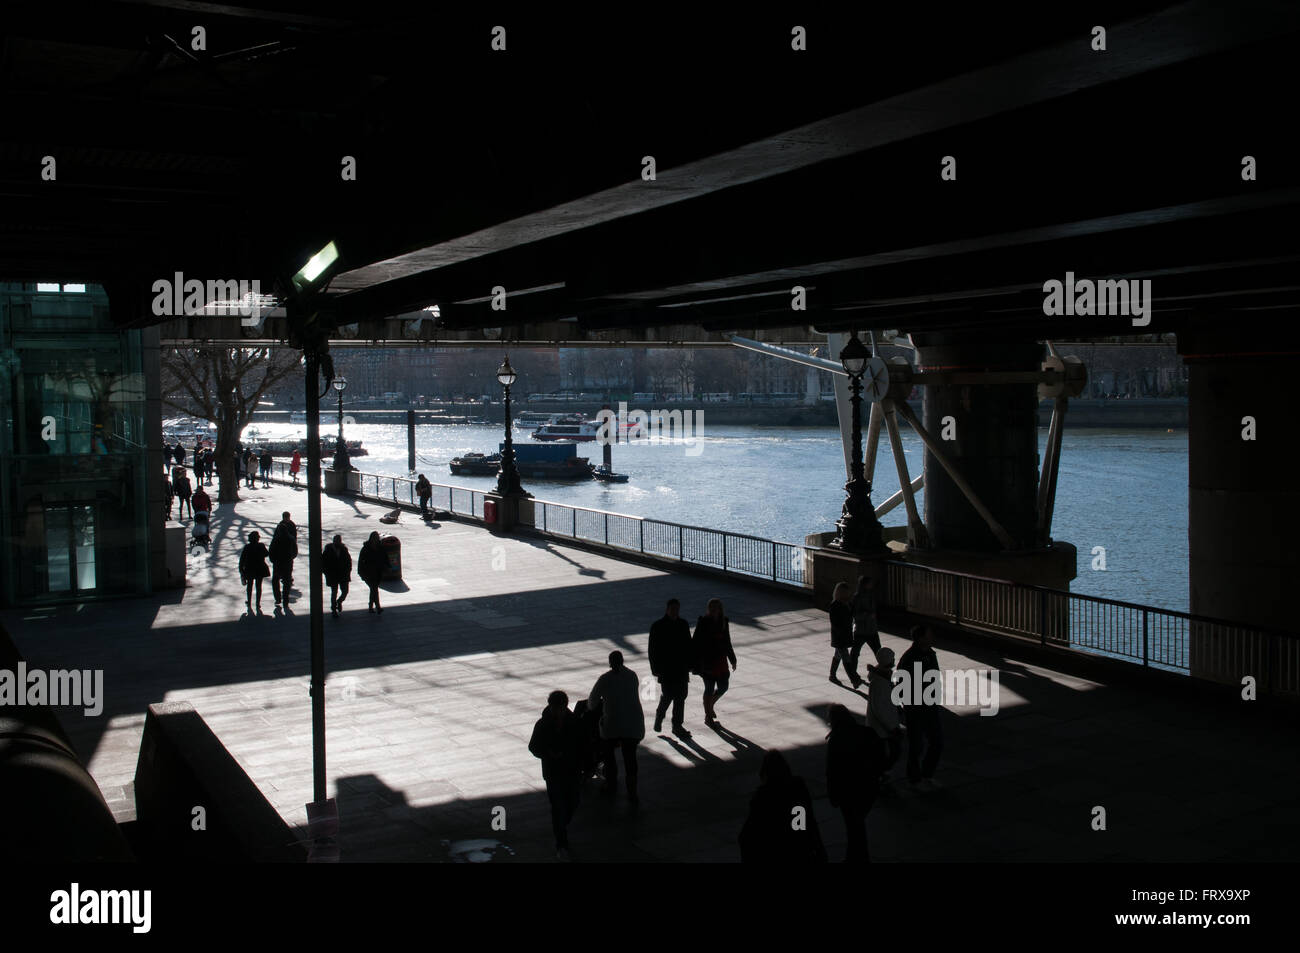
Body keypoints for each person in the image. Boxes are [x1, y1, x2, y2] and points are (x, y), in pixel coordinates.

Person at [738, 750, 826, 863]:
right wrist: (819, 849)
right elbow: (809, 821)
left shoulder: (763, 796)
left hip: (778, 852)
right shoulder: (798, 787)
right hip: (801, 849)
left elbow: (746, 836)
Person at [528, 690, 585, 860]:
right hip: (555, 772)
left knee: (572, 802)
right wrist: (548, 753)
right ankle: (561, 841)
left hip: (569, 770)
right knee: (559, 806)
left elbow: (582, 744)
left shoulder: (573, 722)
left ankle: (560, 828)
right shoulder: (544, 724)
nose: (558, 712)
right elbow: (534, 746)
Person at [825, 703, 886, 862]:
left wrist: (833, 796)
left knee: (854, 827)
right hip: (869, 788)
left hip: (848, 793)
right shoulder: (867, 732)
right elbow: (881, 756)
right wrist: (878, 774)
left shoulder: (836, 740)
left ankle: (858, 857)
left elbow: (832, 771)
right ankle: (856, 856)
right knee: (857, 824)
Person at [587, 651, 645, 802]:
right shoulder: (632, 675)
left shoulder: (605, 679)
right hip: (633, 724)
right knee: (630, 758)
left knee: (609, 754)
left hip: (612, 724)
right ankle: (632, 790)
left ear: (610, 662)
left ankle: (611, 783)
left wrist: (593, 707)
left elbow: (592, 701)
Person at [898, 626, 944, 787]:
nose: (932, 636)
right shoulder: (910, 658)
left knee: (936, 742)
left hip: (929, 705)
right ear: (921, 638)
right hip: (916, 707)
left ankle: (926, 774)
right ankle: (915, 777)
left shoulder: (930, 653)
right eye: (929, 634)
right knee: (917, 745)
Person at [648, 598, 692, 736]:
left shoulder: (681, 624)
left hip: (679, 668)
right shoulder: (658, 626)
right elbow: (652, 649)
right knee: (669, 695)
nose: (675, 612)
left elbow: (688, 646)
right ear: (667, 609)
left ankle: (676, 725)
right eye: (673, 609)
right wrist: (655, 668)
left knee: (680, 696)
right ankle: (661, 717)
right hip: (667, 669)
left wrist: (690, 664)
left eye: (677, 609)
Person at [692, 597, 736, 726]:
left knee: (723, 687)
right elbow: (695, 641)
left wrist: (732, 659)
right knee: (709, 688)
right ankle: (708, 715)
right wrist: (695, 661)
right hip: (707, 661)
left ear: (720, 609)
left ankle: (710, 705)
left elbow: (727, 641)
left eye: (716, 607)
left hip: (721, 660)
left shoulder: (724, 622)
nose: (713, 610)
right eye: (711, 607)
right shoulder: (703, 622)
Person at [865, 646, 902, 778]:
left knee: (888, 752)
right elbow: (880, 708)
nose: (894, 660)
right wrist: (891, 727)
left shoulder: (882, 677)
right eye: (892, 658)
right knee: (891, 752)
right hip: (882, 727)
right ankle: (881, 774)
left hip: (883, 726)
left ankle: (882, 774)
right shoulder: (880, 682)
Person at [829, 581, 861, 688]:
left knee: (838, 655)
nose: (849, 595)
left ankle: (832, 675)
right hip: (840, 637)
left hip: (844, 635)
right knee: (846, 659)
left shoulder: (847, 604)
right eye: (846, 593)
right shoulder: (835, 606)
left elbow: (852, 615)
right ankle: (854, 679)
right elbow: (835, 623)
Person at [268, 511, 298, 607]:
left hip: (278, 562)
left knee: (275, 580)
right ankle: (285, 599)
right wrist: (291, 557)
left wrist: (273, 560)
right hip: (288, 561)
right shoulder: (291, 538)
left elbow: (271, 550)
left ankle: (278, 598)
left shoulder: (276, 539)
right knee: (287, 581)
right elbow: (295, 550)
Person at [851, 575, 882, 668]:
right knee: (855, 653)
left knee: (878, 651)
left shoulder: (871, 595)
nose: (871, 585)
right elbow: (855, 614)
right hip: (861, 629)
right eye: (870, 583)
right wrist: (868, 615)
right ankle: (853, 672)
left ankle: (883, 669)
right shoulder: (857, 597)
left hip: (871, 629)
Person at [238, 531, 270, 612]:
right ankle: (257, 603)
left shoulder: (247, 547)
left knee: (249, 586)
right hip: (260, 568)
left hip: (249, 569)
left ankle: (249, 602)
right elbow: (267, 554)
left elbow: (242, 559)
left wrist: (241, 570)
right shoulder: (261, 545)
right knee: (258, 586)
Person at [321, 534, 352, 617]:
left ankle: (339, 601)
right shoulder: (328, 551)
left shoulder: (344, 549)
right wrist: (327, 572)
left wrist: (348, 570)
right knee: (334, 592)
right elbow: (323, 563)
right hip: (333, 574)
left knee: (345, 591)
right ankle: (334, 609)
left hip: (343, 574)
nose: (338, 542)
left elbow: (348, 561)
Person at [357, 531, 387, 613]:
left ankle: (371, 606)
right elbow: (361, 561)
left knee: (373, 589)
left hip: (377, 572)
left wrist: (386, 567)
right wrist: (360, 572)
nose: (376, 539)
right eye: (375, 537)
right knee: (374, 589)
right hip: (368, 573)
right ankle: (377, 607)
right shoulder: (366, 548)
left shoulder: (380, 547)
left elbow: (384, 558)